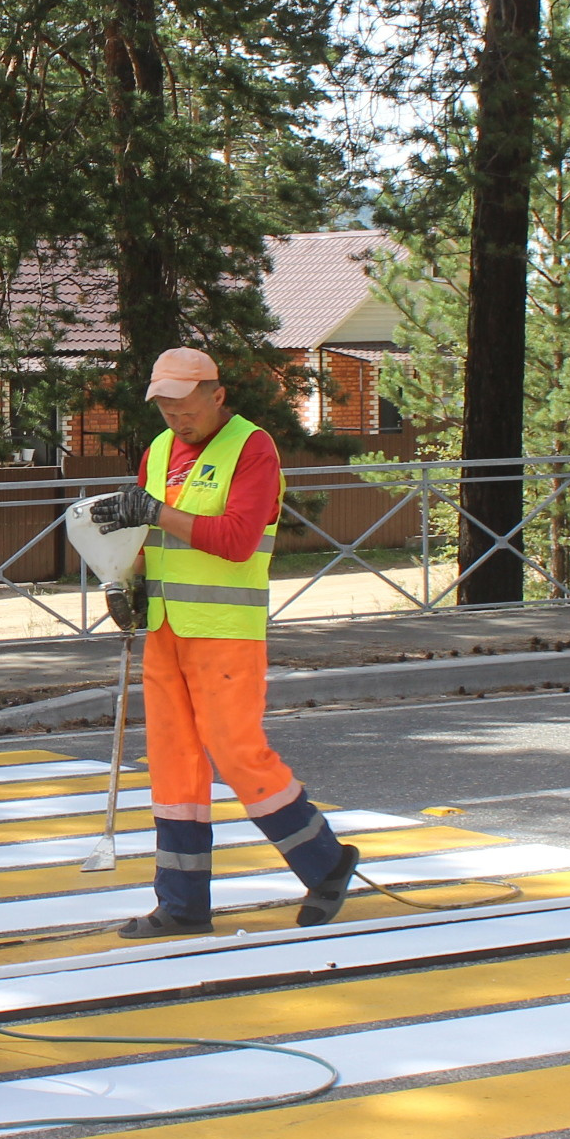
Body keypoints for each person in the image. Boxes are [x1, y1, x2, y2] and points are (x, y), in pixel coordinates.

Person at [91, 346, 359, 940]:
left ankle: (327, 863)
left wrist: (157, 514)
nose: (175, 419)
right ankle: (182, 905)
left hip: (223, 632)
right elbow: (143, 533)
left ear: (217, 396)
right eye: (164, 407)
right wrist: (123, 581)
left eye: (184, 407)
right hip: (164, 628)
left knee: (238, 755)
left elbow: (237, 540)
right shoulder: (159, 450)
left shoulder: (251, 446)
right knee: (175, 767)